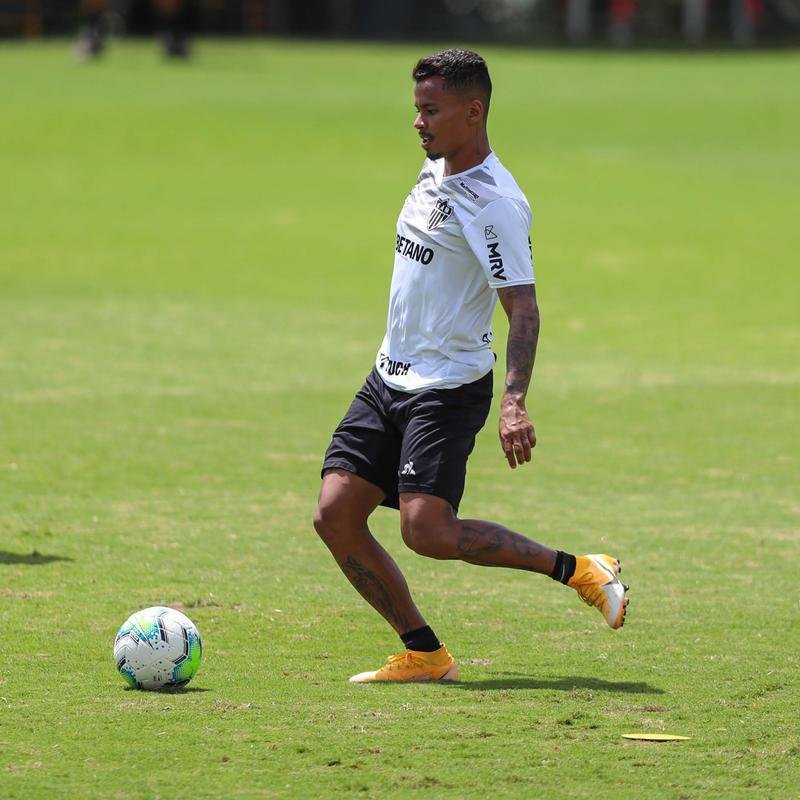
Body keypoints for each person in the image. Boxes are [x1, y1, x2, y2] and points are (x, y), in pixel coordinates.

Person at [313, 49, 628, 683]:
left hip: (447, 388)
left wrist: (514, 400)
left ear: (473, 111)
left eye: (431, 110)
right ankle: (425, 653)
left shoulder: (494, 204)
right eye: (416, 109)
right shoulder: (435, 169)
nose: (418, 122)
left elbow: (524, 307)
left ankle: (579, 570)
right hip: (388, 376)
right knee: (335, 514)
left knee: (426, 532)